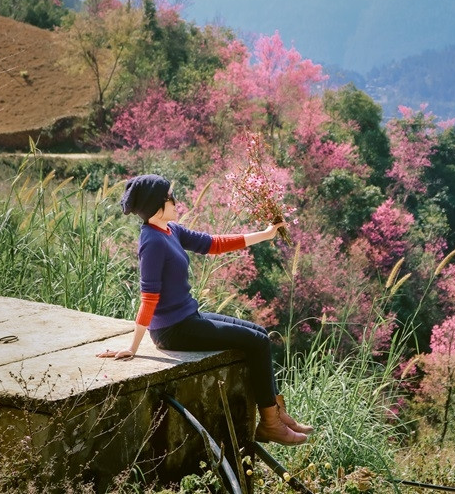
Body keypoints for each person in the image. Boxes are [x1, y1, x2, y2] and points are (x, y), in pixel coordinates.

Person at [97, 174, 312, 446]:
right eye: (169, 198)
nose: (175, 201)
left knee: (259, 332)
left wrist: (266, 234)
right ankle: (270, 424)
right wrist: (133, 347)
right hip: (172, 330)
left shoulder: (170, 230)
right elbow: (149, 297)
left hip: (189, 317)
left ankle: (278, 415)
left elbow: (214, 244)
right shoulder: (151, 241)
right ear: (155, 206)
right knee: (257, 342)